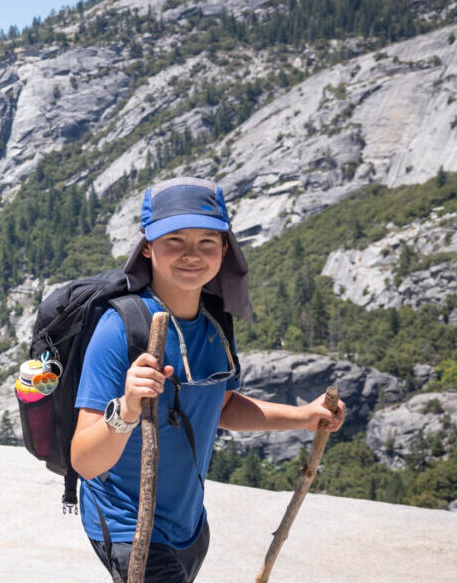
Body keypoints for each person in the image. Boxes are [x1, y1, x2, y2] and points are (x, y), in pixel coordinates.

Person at [70, 177, 346, 583]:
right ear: (147, 246)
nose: (191, 255)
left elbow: (223, 406)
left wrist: (302, 416)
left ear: (224, 248)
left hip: (190, 527)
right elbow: (84, 461)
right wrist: (127, 410)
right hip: (133, 529)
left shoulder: (215, 321)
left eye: (207, 242)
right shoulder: (120, 331)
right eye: (175, 240)